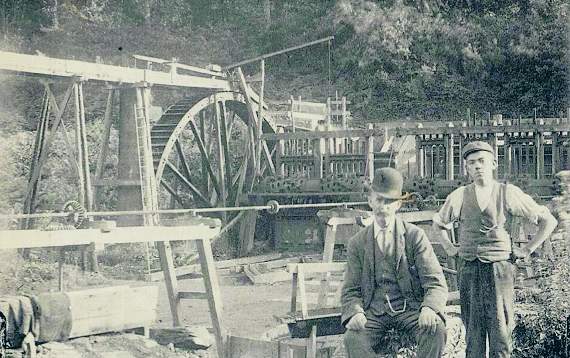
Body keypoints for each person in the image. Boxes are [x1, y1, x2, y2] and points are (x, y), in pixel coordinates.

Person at [433, 141, 558, 358]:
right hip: (470, 269)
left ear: (493, 163)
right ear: (466, 168)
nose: (477, 166)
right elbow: (439, 224)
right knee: (473, 333)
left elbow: (548, 221)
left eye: (482, 161)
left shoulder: (508, 193)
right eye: (472, 163)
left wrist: (527, 249)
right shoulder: (460, 195)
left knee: (501, 331)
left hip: (500, 270)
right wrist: (450, 248)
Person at [342, 167, 448, 358]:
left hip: (409, 309)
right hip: (374, 312)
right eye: (379, 200)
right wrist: (355, 312)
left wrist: (429, 307)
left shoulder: (415, 236)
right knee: (352, 339)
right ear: (370, 201)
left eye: (390, 201)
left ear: (399, 204)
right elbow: (350, 289)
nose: (384, 206)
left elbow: (435, 282)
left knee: (436, 330)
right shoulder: (357, 243)